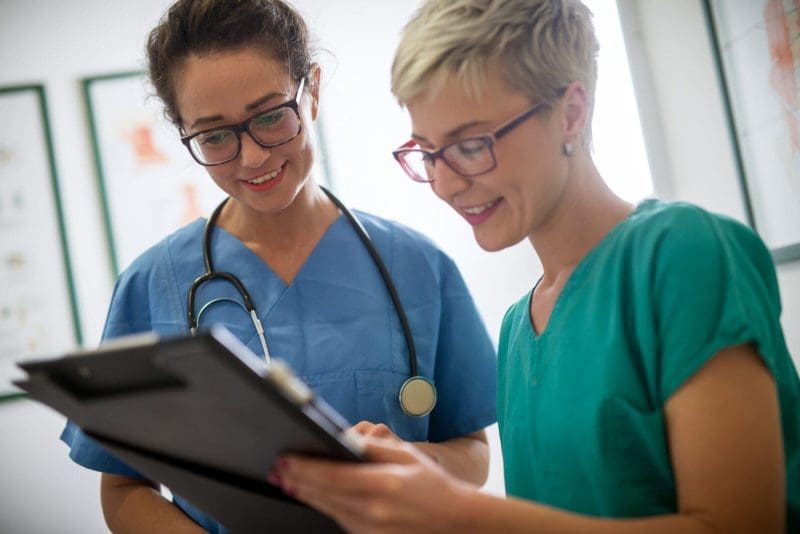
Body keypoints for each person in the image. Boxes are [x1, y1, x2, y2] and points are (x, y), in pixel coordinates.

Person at [274, 0, 800, 532]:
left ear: (571, 112)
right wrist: (417, 482)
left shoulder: (682, 254)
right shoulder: (519, 328)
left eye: (472, 145)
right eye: (429, 152)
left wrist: (457, 512)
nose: (446, 183)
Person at [60, 1, 498, 532]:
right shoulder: (153, 285)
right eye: (215, 135)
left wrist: (412, 462)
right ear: (184, 131)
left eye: (270, 116)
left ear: (311, 90)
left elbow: (472, 450)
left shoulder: (417, 266)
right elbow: (124, 486)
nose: (252, 158)